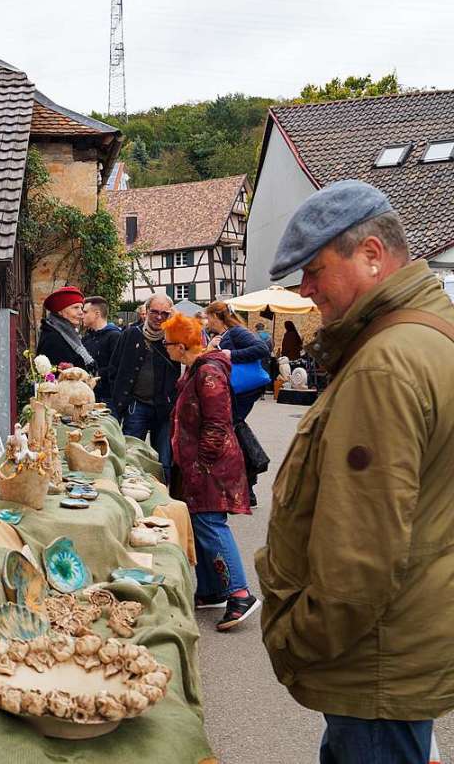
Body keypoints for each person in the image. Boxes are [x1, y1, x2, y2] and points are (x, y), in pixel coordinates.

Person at [256, 180, 454, 763]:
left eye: (315, 269)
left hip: (375, 662)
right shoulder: (425, 336)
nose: (305, 288)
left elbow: (360, 559)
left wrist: (296, 640)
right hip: (397, 648)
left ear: (371, 254)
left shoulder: (385, 364)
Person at [161, 312, 259, 629]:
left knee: (211, 524)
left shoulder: (208, 372)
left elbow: (217, 424)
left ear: (180, 345)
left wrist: (201, 463)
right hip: (199, 463)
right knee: (201, 521)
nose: (165, 348)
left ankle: (240, 593)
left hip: (211, 466)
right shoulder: (196, 369)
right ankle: (212, 590)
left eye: (167, 343)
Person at [107, 293, 180, 482]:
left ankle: (164, 501)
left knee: (164, 461)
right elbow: (114, 367)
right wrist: (122, 399)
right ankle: (132, 496)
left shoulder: (174, 338)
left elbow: (190, 358)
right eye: (154, 312)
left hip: (164, 408)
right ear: (146, 312)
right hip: (136, 405)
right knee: (131, 456)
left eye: (164, 314)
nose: (158, 317)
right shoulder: (131, 334)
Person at [204, 301, 270, 425]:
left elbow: (262, 349)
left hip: (243, 390)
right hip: (235, 391)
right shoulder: (221, 335)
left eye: (208, 317)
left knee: (230, 426)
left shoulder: (236, 331)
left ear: (215, 316)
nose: (207, 322)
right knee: (230, 426)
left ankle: (246, 445)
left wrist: (231, 355)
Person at [35, 286, 96, 372]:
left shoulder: (69, 334)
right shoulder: (53, 338)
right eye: (75, 308)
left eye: (81, 308)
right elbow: (53, 378)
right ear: (60, 311)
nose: (81, 312)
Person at [81, 296, 121, 407]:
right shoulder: (86, 338)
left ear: (97, 314)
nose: (82, 315)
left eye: (85, 312)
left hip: (107, 398)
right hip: (88, 396)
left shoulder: (114, 336)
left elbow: (117, 367)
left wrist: (96, 375)